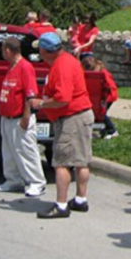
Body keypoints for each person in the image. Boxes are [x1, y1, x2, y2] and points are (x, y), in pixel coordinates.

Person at [34, 31, 95, 219]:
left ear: (46, 51)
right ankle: (80, 199)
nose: (40, 53)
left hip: (72, 118)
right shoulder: (67, 60)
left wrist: (42, 103)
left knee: (62, 162)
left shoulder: (61, 66)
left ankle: (61, 205)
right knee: (81, 160)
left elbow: (63, 98)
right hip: (81, 114)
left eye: (41, 50)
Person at [0, 37, 46, 197]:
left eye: (3, 50)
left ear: (8, 51)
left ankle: (37, 182)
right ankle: (13, 180)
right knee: (9, 151)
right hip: (7, 117)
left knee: (26, 150)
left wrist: (26, 117)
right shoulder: (11, 67)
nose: (2, 53)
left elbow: (30, 94)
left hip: (20, 118)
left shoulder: (25, 67)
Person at [81, 55, 119, 138]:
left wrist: (104, 98)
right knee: (99, 113)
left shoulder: (103, 73)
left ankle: (112, 130)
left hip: (109, 96)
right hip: (103, 96)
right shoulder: (97, 73)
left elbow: (110, 86)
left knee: (102, 114)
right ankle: (105, 129)